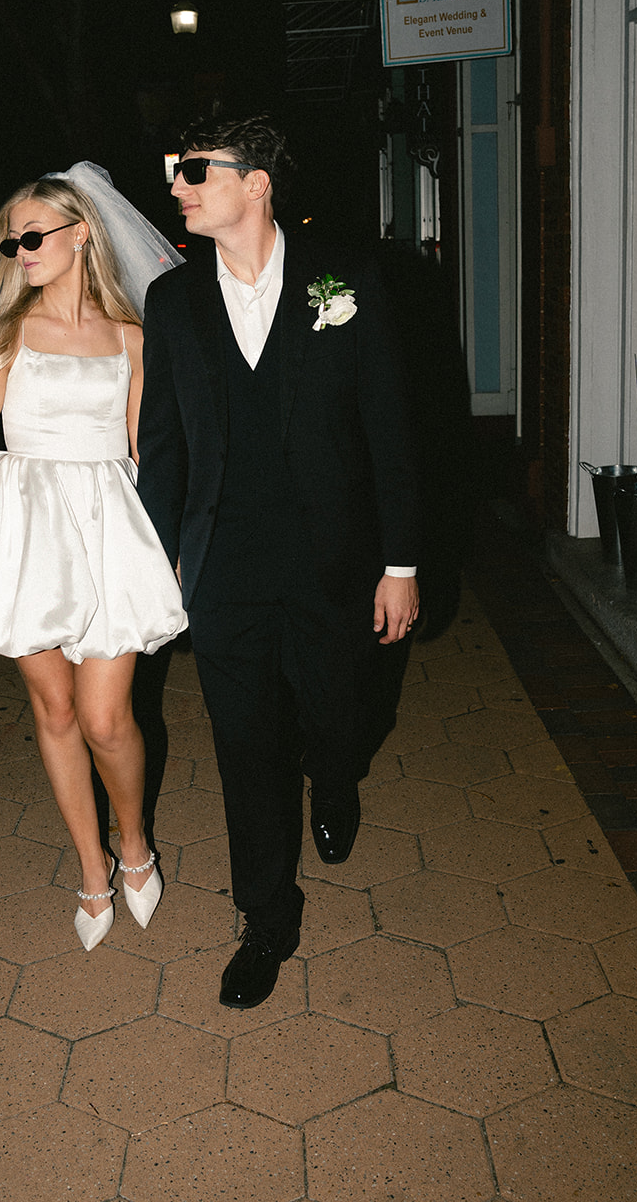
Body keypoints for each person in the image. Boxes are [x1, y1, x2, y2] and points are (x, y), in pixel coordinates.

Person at [137, 113, 420, 1009]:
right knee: (245, 745)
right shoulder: (172, 301)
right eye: (171, 172)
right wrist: (160, 559)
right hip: (223, 564)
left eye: (193, 170)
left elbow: (391, 432)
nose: (175, 187)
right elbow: (165, 444)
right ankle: (266, 919)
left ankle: (335, 775)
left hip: (335, 558)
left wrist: (401, 563)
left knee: (339, 712)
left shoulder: (347, 282)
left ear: (255, 183)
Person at [0, 163, 186, 951]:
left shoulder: (131, 339)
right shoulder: (5, 336)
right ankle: (91, 868)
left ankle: (134, 844)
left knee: (106, 717)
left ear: (80, 233)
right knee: (54, 711)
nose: (19, 250)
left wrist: (174, 546)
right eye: (10, 240)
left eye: (32, 235)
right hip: (25, 532)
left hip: (109, 527)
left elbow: (143, 450)